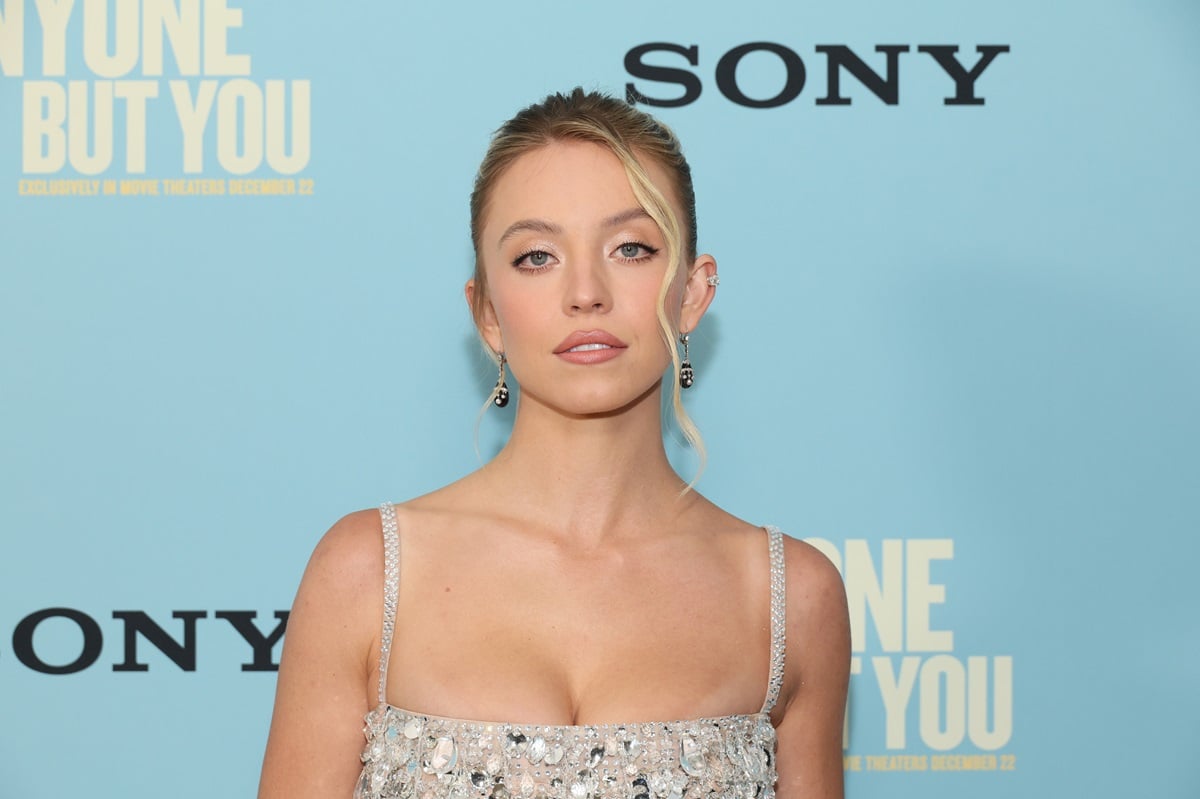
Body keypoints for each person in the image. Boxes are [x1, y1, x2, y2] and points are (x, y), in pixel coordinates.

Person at [258, 88, 850, 799]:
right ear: (487, 314)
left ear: (692, 292)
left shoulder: (792, 598)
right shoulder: (367, 574)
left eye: (631, 248)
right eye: (537, 256)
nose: (586, 292)